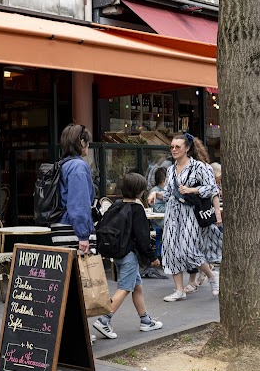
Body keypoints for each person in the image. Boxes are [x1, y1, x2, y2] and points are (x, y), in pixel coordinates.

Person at [147, 133, 222, 301]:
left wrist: (192, 190)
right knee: (171, 250)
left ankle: (211, 275)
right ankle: (179, 290)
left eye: (177, 147)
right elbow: (167, 194)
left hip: (190, 213)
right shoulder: (171, 169)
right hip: (173, 213)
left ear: (187, 148)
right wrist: (156, 195)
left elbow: (211, 188)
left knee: (188, 249)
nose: (173, 150)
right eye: (172, 147)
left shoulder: (199, 167)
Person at [92, 173, 163, 339]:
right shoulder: (136, 209)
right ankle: (104, 320)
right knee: (124, 288)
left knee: (136, 286)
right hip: (129, 255)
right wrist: (152, 257)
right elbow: (142, 238)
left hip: (116, 253)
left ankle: (145, 321)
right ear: (139, 191)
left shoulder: (116, 205)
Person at [50, 124, 96, 253]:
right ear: (82, 142)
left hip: (60, 226)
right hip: (73, 230)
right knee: (84, 271)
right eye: (88, 142)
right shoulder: (78, 167)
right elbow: (78, 203)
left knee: (66, 271)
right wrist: (83, 235)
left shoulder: (63, 164)